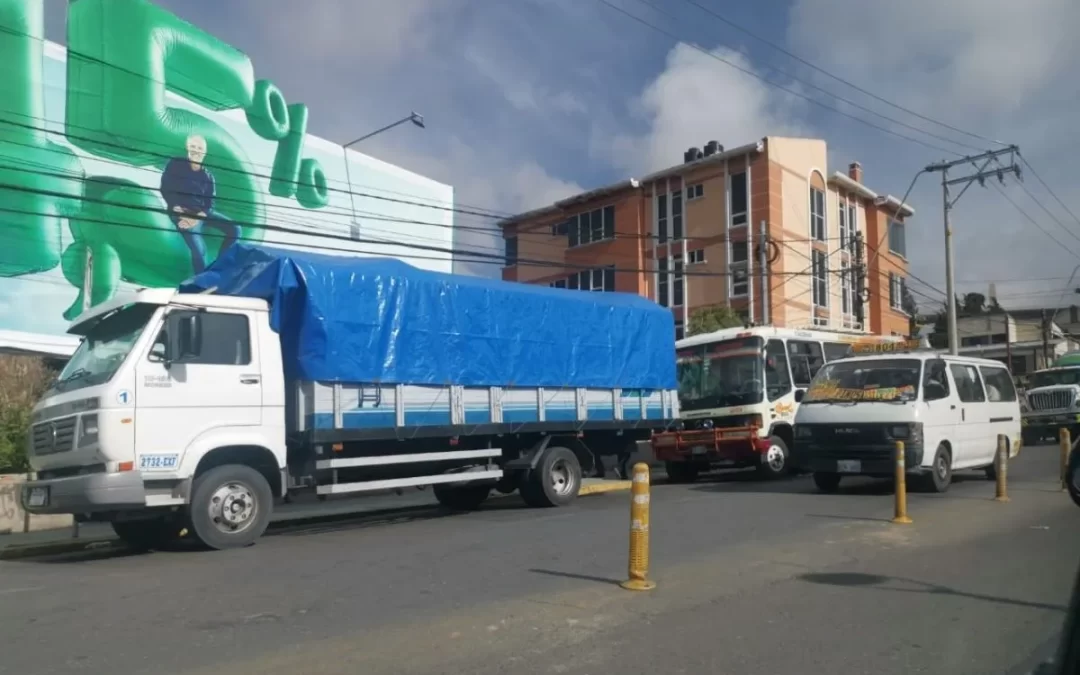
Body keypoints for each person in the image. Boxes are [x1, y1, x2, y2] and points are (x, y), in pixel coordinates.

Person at [160, 134, 240, 274]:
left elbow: (209, 205)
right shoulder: (175, 165)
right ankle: (200, 282)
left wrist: (195, 219)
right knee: (199, 248)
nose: (196, 151)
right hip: (180, 212)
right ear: (187, 147)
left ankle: (220, 267)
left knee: (235, 229)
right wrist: (181, 214)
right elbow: (166, 189)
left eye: (199, 148)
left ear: (204, 152)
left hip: (201, 215)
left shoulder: (208, 176)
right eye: (192, 147)